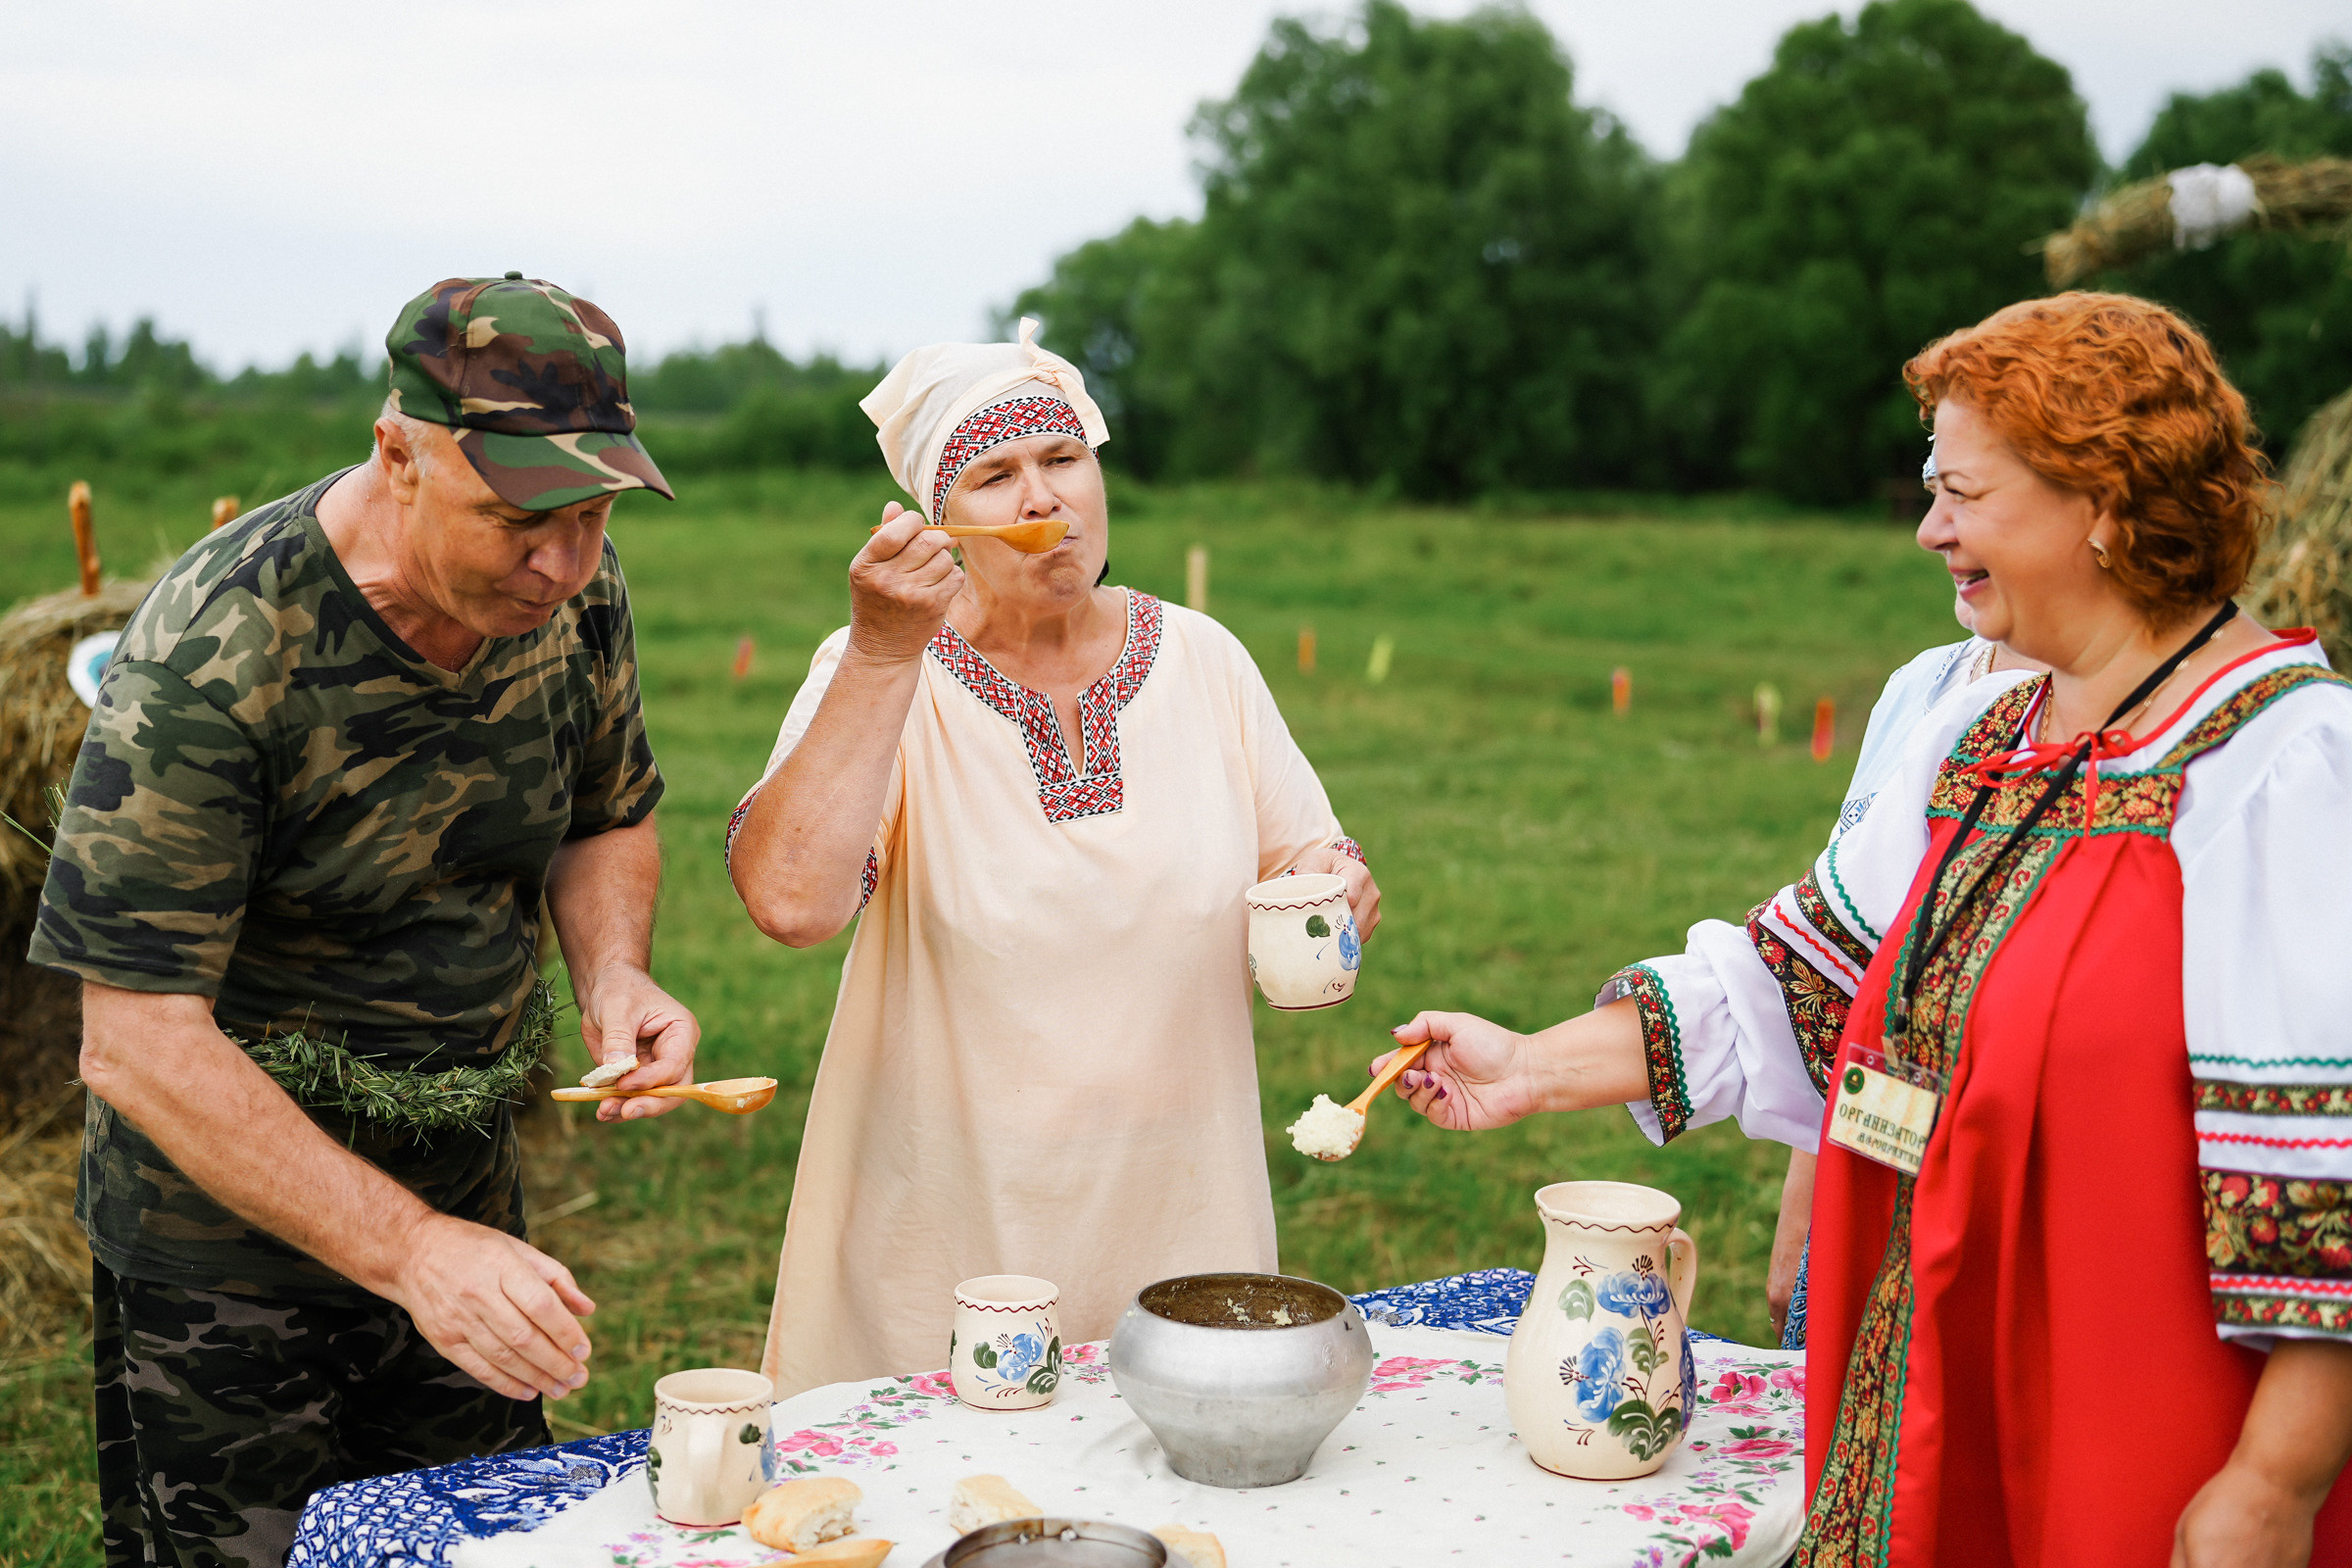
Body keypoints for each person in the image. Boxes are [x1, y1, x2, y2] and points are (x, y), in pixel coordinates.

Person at [1375, 293, 2352, 1565]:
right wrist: (1528, 1066)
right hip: (1940, 1386)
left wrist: (2274, 1485)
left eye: (1963, 492)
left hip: (2145, 1432)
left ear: (2104, 504)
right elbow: (1795, 981)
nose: (1930, 528)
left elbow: (2329, 1178)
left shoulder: (2286, 766)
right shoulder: (1980, 739)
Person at [31, 274, 701, 1568]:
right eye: (520, 518)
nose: (565, 562)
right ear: (399, 454)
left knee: (488, 1547)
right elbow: (136, 1041)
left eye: (595, 512)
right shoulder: (220, 648)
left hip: (463, 1203)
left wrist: (616, 974)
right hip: (222, 1258)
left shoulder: (571, 591)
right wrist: (409, 1252)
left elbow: (604, 810)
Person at [729, 320, 1378, 1396]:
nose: (1045, 499)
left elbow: (1306, 850)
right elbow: (791, 902)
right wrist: (884, 652)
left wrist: (1337, 881)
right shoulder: (880, 666)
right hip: (948, 1232)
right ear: (939, 521)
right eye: (995, 476)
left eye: (1064, 458)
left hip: (1181, 1206)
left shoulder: (1204, 659)